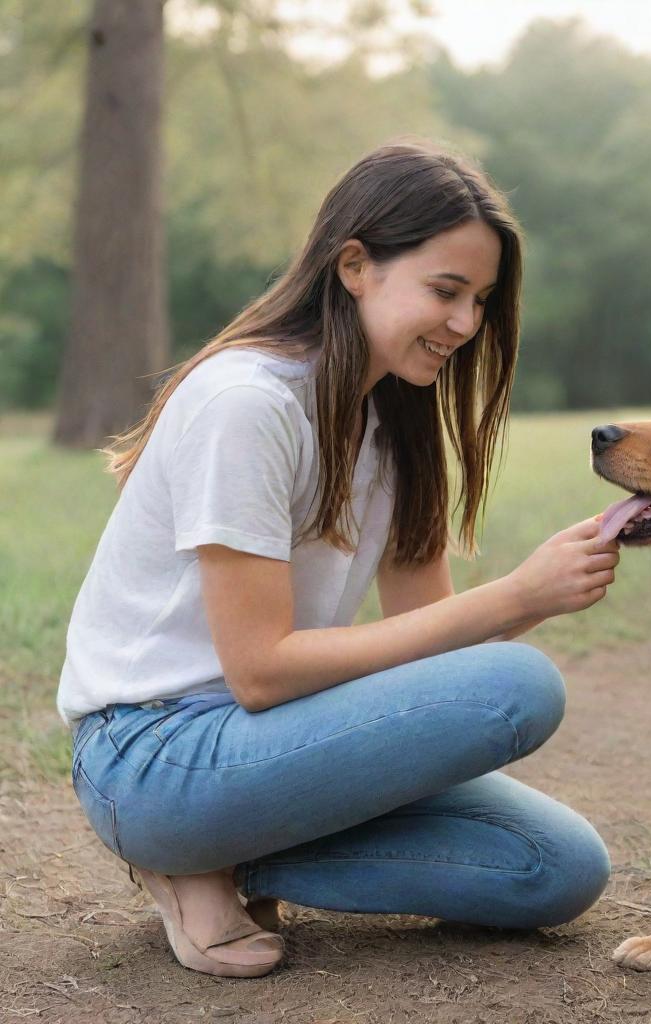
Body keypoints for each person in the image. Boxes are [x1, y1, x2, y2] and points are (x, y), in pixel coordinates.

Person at [58, 141, 617, 978]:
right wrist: (512, 598)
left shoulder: (395, 424)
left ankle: (235, 860)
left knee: (559, 868)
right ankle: (178, 849)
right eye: (446, 291)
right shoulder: (248, 403)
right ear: (355, 265)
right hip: (151, 756)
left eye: (482, 301)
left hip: (270, 750)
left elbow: (429, 639)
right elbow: (259, 671)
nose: (466, 325)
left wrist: (542, 595)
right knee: (522, 687)